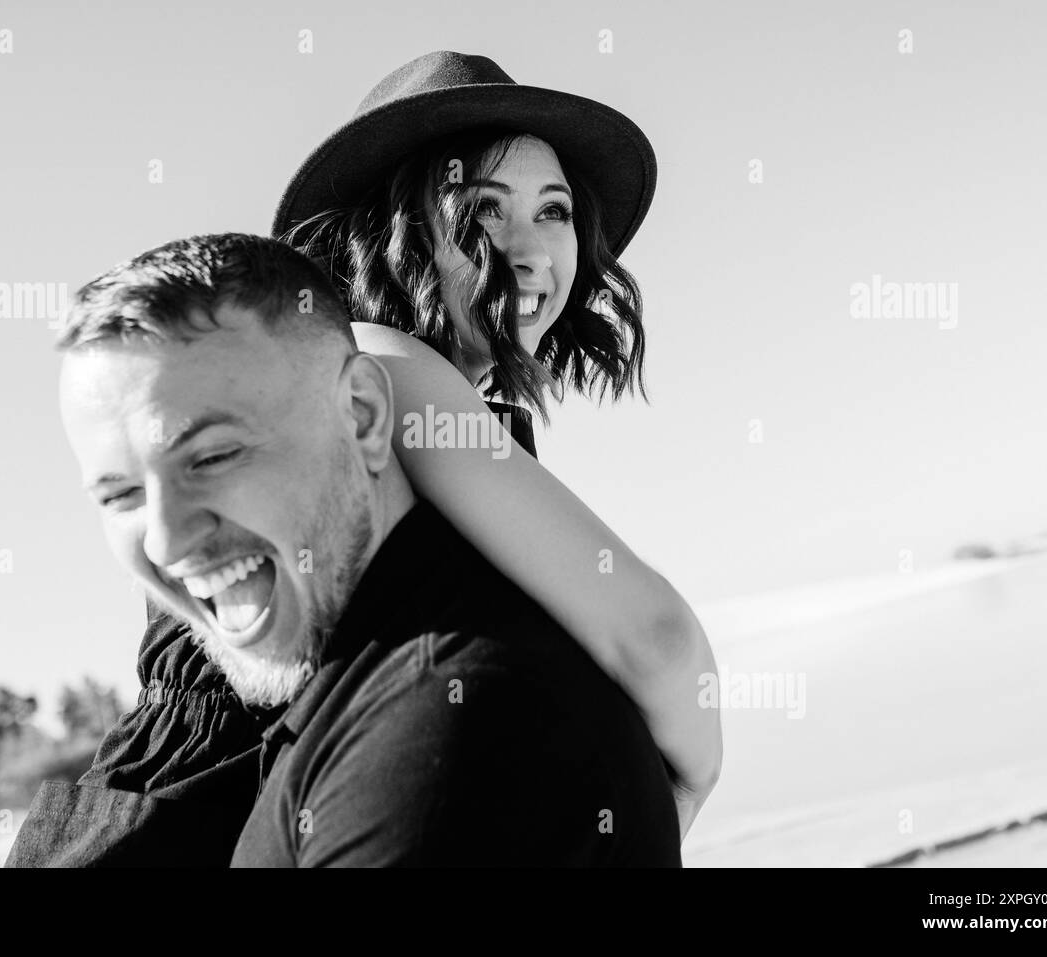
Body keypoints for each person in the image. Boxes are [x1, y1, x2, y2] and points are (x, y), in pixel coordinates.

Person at [6, 51, 719, 867]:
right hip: (184, 819)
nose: (530, 251)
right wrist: (687, 787)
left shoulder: (454, 400)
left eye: (553, 212)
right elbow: (655, 637)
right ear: (395, 230)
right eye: (483, 212)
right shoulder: (384, 363)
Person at [52, 232, 682, 865]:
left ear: (365, 412)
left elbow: (658, 637)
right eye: (120, 495)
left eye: (214, 457)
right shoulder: (341, 689)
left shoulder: (439, 741)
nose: (164, 538)